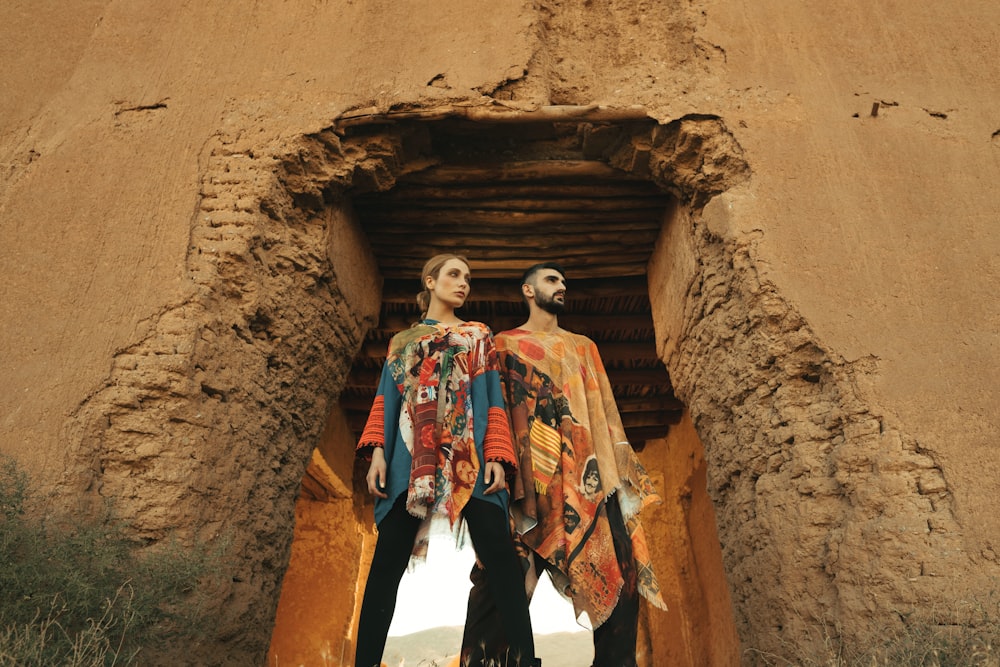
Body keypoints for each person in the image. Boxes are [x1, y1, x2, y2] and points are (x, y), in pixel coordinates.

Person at [460, 262, 666, 667]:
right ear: (527, 290)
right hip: (525, 481)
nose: (561, 286)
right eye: (552, 280)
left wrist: (615, 476)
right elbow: (491, 411)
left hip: (586, 476)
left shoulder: (583, 346)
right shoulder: (503, 345)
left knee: (620, 579)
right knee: (501, 584)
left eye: (563, 282)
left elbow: (602, 411)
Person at [353, 254, 540, 667]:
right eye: (454, 275)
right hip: (410, 457)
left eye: (468, 278)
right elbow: (388, 398)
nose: (463, 283)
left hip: (468, 457)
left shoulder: (478, 335)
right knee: (387, 563)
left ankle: (527, 661)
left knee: (501, 558)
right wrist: (379, 453)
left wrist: (495, 454)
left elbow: (490, 395)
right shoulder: (403, 341)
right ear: (431, 281)